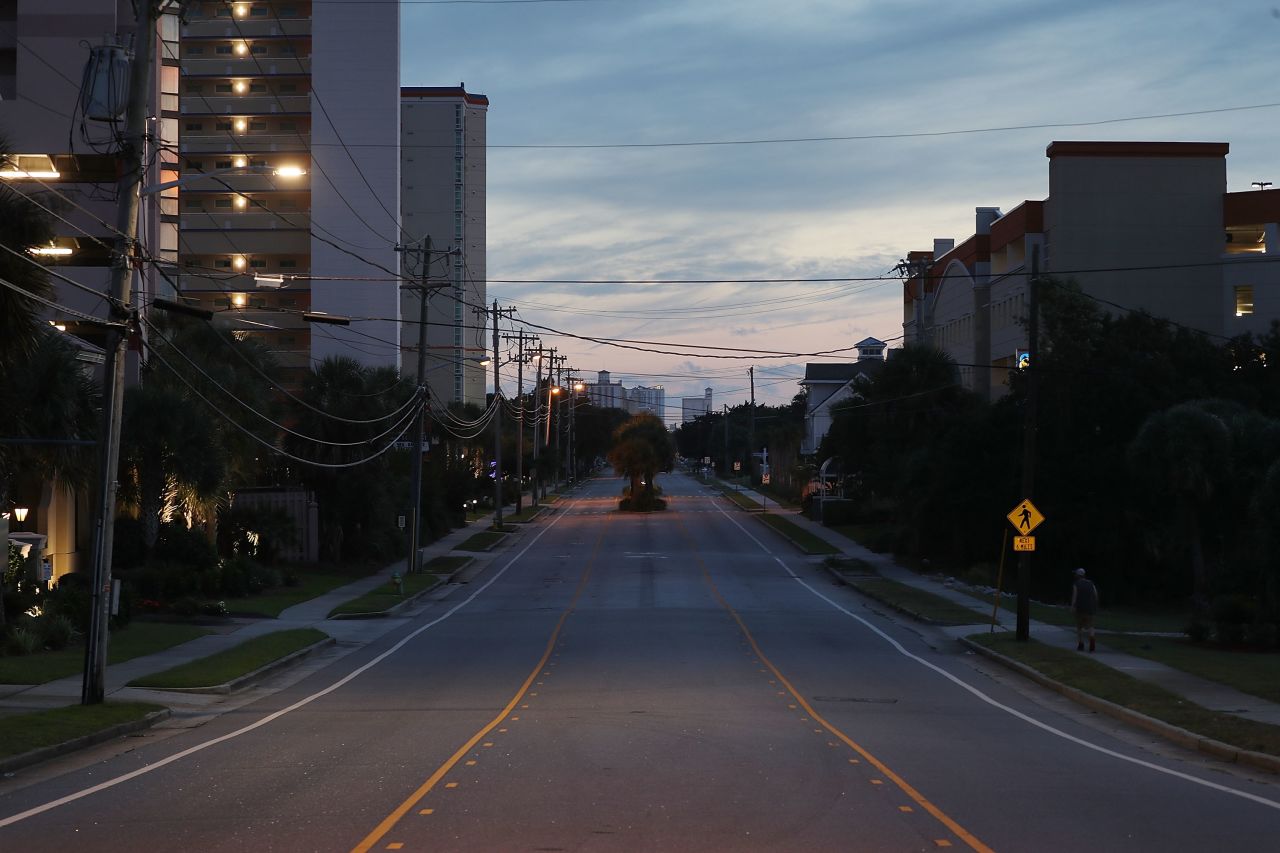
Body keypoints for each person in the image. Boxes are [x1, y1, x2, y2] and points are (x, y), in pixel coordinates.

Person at [1070, 567, 1099, 652]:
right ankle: (1092, 638)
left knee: (1079, 626)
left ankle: (1081, 644)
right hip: (1090, 608)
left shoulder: (1076, 584)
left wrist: (1072, 606)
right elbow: (1095, 594)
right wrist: (1094, 605)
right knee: (1091, 625)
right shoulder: (1091, 583)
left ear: (1077, 575)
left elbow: (1075, 596)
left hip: (1080, 607)